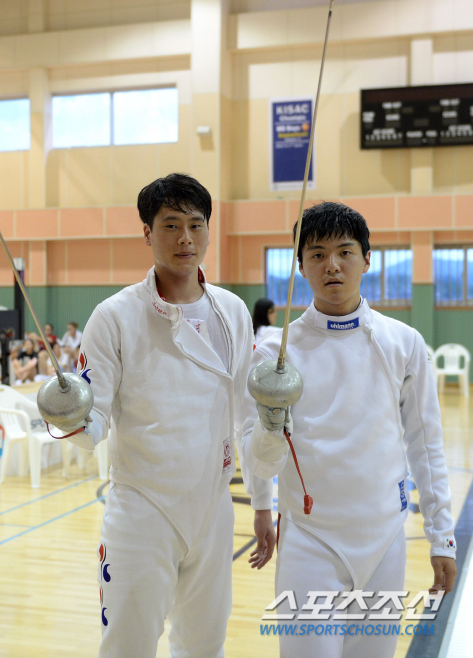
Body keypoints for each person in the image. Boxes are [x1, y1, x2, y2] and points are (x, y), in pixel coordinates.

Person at [241, 202, 457, 658]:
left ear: (367, 259)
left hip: (385, 541)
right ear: (300, 266)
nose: (332, 265)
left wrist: (442, 537)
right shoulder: (273, 355)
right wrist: (269, 426)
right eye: (317, 254)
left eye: (344, 252)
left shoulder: (403, 343)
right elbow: (259, 463)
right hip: (309, 540)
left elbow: (426, 445)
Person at [62, 173, 254, 658]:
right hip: (143, 510)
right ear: (147, 233)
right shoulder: (114, 315)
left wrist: (266, 499)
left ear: (208, 230)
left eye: (196, 224)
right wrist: (69, 416)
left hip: (213, 506)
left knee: (205, 646)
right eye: (170, 225)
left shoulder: (232, 311)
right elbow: (92, 419)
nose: (185, 238)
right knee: (127, 647)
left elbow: (248, 414)